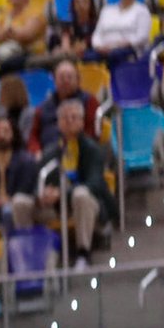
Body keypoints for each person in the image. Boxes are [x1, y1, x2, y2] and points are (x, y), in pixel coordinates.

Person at [40, 100, 112, 265]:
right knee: (22, 203)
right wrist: (44, 193)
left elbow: (93, 184)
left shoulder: (93, 150)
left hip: (88, 204)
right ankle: (31, 255)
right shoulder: (50, 151)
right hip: (56, 206)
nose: (69, 121)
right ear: (58, 123)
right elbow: (39, 179)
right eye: (65, 118)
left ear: (82, 121)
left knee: (81, 195)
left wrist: (62, 193)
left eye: (74, 117)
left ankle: (83, 253)